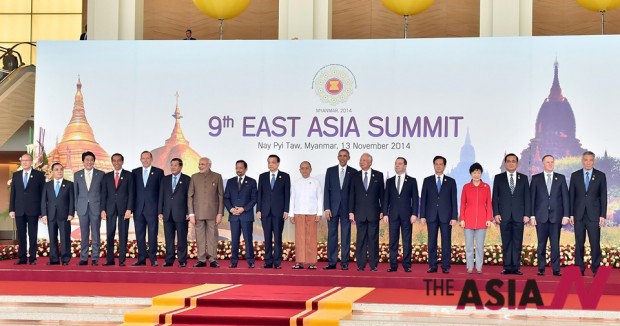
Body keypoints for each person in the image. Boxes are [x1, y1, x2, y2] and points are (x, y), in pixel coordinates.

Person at [569, 151, 607, 277]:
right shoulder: (575, 176)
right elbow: (571, 196)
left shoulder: (601, 176)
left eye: (591, 160)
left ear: (594, 161)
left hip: (594, 215)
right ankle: (579, 269)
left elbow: (603, 197)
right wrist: (571, 214)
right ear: (582, 160)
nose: (588, 162)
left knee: (595, 243)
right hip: (578, 215)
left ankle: (596, 269)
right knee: (579, 243)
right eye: (586, 160)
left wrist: (602, 215)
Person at [530, 155, 569, 276]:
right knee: (541, 243)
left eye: (552, 162)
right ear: (543, 163)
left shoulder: (561, 178)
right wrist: (531, 216)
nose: (550, 164)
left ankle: (556, 269)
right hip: (540, 217)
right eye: (547, 162)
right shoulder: (536, 178)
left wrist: (566, 215)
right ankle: (541, 268)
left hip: (556, 217)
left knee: (555, 244)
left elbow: (565, 198)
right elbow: (532, 199)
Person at [492, 153, 530, 275]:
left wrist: (527, 214)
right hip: (504, 215)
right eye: (508, 161)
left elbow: (527, 198)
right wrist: (496, 213)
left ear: (517, 164)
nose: (511, 163)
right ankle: (507, 267)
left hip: (519, 216)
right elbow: (495, 197)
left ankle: (516, 268)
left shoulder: (523, 178)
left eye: (513, 161)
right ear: (505, 163)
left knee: (517, 242)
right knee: (506, 242)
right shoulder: (498, 178)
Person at [420, 155, 458, 274]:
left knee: (446, 241)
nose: (438, 166)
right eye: (436, 164)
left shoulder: (451, 181)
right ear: (434, 165)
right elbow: (424, 200)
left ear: (444, 166)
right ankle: (432, 266)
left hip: (446, 217)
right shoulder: (427, 180)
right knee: (432, 242)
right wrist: (422, 216)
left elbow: (454, 200)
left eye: (441, 164)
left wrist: (454, 217)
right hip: (431, 216)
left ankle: (445, 266)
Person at [348, 153, 384, 272]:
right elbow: (351, 195)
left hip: (374, 213)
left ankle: (373, 265)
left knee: (373, 240)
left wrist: (383, 210)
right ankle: (361, 264)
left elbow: (382, 196)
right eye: (360, 160)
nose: (361, 162)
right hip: (359, 213)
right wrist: (351, 211)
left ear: (370, 162)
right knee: (361, 239)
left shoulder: (378, 175)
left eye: (364, 160)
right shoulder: (355, 176)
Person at [323, 149, 357, 270]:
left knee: (345, 236)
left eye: (345, 156)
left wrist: (352, 210)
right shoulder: (330, 170)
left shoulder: (353, 172)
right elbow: (326, 190)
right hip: (332, 208)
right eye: (340, 156)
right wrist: (326, 208)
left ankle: (344, 263)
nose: (342, 158)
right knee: (332, 235)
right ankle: (332, 262)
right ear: (338, 157)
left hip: (347, 209)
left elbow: (354, 193)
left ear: (349, 157)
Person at [383, 157, 418, 273]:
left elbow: (415, 199)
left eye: (400, 163)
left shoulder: (412, 181)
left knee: (406, 241)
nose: (397, 165)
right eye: (396, 163)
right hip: (392, 215)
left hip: (407, 216)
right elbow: (386, 199)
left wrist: (414, 213)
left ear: (405, 166)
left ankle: (407, 265)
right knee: (393, 241)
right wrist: (385, 213)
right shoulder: (389, 181)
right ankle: (393, 265)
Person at [9, 153, 46, 265]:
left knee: (33, 234)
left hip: (33, 209)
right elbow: (13, 194)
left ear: (31, 162)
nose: (24, 162)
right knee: (21, 234)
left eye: (27, 160)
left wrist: (42, 210)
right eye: (22, 160)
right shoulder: (16, 175)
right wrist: (12, 209)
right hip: (19, 209)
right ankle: (22, 258)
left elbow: (43, 194)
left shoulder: (39, 175)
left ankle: (33, 258)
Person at [188, 157, 224, 268]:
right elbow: (190, 196)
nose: (200, 166)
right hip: (197, 213)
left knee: (212, 236)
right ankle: (201, 260)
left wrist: (220, 213)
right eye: (199, 164)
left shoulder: (217, 176)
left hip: (213, 213)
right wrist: (191, 214)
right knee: (200, 237)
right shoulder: (194, 177)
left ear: (209, 165)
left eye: (203, 164)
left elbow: (220, 196)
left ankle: (213, 259)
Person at [256, 154, 291, 269]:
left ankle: (277, 262)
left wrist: (286, 210)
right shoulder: (262, 176)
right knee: (267, 237)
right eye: (269, 162)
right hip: (265, 211)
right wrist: (258, 210)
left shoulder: (285, 176)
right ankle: (267, 262)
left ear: (278, 163)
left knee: (277, 238)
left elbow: (287, 195)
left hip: (279, 212)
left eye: (273, 162)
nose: (270, 164)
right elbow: (259, 194)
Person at [101, 153, 134, 266]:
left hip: (124, 210)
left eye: (118, 160)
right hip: (110, 209)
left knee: (123, 235)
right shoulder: (107, 176)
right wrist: (103, 209)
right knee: (110, 234)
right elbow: (103, 194)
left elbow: (131, 194)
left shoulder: (129, 175)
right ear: (112, 162)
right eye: (114, 160)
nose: (116, 162)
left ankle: (122, 260)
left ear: (122, 161)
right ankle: (110, 260)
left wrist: (129, 209)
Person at [132, 151, 164, 267]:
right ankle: (141, 259)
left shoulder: (158, 172)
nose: (145, 160)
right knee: (139, 235)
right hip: (138, 209)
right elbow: (132, 192)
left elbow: (162, 193)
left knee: (152, 234)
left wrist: (160, 210)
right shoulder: (135, 172)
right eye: (143, 158)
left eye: (147, 158)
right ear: (140, 159)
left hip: (152, 209)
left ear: (151, 159)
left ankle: (153, 259)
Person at [460, 162, 493, 274]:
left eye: (478, 172)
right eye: (474, 172)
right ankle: (470, 266)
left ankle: (479, 267)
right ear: (471, 174)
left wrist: (489, 219)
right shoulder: (466, 187)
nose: (476, 174)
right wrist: (462, 219)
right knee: (469, 246)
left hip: (482, 221)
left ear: (481, 173)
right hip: (468, 221)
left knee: (479, 246)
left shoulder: (486, 187)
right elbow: (462, 204)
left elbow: (489, 203)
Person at [223, 160, 257, 268]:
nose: (238, 170)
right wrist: (231, 209)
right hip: (234, 216)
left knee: (248, 239)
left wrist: (244, 209)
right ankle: (233, 262)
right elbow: (226, 198)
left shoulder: (252, 181)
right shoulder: (230, 181)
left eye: (241, 168)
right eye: (237, 168)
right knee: (234, 240)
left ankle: (250, 261)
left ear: (246, 169)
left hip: (246, 215)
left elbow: (254, 199)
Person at [289, 161, 322, 270]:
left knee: (311, 238)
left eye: (306, 168)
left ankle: (312, 262)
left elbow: (320, 198)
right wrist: (291, 214)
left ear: (310, 169)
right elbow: (292, 199)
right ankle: (299, 262)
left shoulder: (316, 182)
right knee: (300, 239)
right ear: (299, 170)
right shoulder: (295, 183)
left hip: (312, 213)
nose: (304, 170)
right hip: (298, 213)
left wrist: (319, 213)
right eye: (302, 168)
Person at [158, 158, 191, 268]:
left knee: (181, 238)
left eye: (175, 165)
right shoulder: (165, 179)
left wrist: (188, 212)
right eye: (171, 165)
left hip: (181, 214)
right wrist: (160, 211)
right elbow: (161, 196)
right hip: (167, 213)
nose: (173, 167)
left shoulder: (187, 179)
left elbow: (189, 198)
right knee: (169, 239)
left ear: (181, 166)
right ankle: (169, 260)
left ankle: (182, 260)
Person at [74, 151, 105, 266]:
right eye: (87, 160)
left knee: (96, 234)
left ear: (94, 161)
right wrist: (76, 208)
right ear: (83, 162)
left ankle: (95, 258)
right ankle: (84, 258)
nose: (89, 162)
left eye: (91, 160)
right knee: (84, 234)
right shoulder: (77, 175)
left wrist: (103, 209)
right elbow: (75, 193)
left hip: (96, 208)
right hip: (82, 208)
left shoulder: (101, 174)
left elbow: (103, 193)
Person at [41, 163, 74, 266]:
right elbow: (43, 201)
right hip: (51, 215)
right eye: (56, 169)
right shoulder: (47, 185)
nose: (59, 171)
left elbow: (72, 201)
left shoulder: (69, 184)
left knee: (65, 238)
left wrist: (71, 213)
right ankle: (54, 259)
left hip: (64, 216)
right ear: (52, 172)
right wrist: (44, 214)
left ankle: (65, 259)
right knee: (52, 237)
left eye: (61, 169)